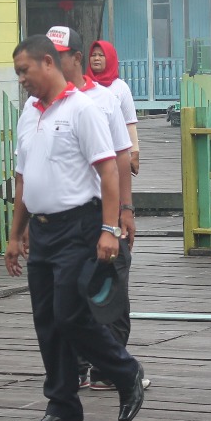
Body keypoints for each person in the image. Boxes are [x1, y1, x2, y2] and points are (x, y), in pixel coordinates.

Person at [6, 34, 146, 421]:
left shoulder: (83, 109)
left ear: (47, 63)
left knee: (71, 314)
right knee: (47, 320)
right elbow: (22, 178)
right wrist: (16, 233)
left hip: (79, 226)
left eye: (24, 70)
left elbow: (108, 170)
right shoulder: (29, 113)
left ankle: (125, 370)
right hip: (43, 230)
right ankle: (64, 406)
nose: (22, 80)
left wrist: (109, 228)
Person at [49, 25, 136, 391]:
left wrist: (124, 213)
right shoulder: (39, 104)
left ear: (76, 58)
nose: (49, 63)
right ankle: (78, 368)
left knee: (108, 294)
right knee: (69, 299)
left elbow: (119, 159)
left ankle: (113, 370)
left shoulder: (105, 99)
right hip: (60, 221)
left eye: (56, 56)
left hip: (102, 213)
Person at [87, 40, 142, 175]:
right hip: (88, 152)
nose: (96, 58)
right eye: (93, 55)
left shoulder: (121, 87)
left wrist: (134, 153)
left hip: (115, 151)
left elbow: (130, 123)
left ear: (110, 58)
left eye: (101, 55)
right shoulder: (83, 86)